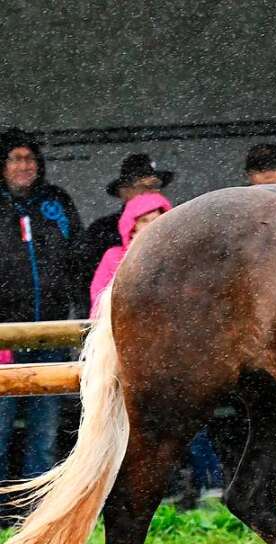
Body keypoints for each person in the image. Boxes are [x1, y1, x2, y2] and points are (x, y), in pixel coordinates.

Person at [90, 192, 224, 504]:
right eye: (145, 221)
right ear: (130, 227)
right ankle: (154, 493)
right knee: (142, 431)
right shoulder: (114, 258)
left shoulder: (184, 261)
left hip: (178, 360)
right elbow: (99, 303)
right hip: (131, 360)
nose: (153, 227)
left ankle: (211, 483)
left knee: (191, 425)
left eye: (159, 220)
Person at [0, 128, 82, 521]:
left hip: (49, 333)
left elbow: (78, 262)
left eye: (29, 159)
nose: (24, 166)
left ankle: (39, 516)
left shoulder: (56, 203)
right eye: (15, 158)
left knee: (44, 434)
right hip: (3, 339)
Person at [77, 153, 173, 317]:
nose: (147, 192)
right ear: (123, 191)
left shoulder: (177, 232)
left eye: (154, 185)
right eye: (140, 186)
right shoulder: (101, 232)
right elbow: (87, 288)